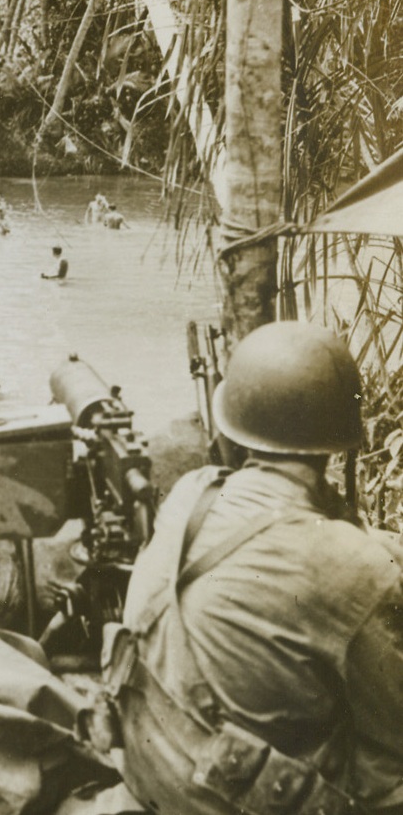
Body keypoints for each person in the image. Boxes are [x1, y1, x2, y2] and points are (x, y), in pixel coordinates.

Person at [106, 321, 403, 815]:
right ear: (338, 443)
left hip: (157, 768)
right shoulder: (357, 567)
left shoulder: (191, 494)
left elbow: (285, 549)